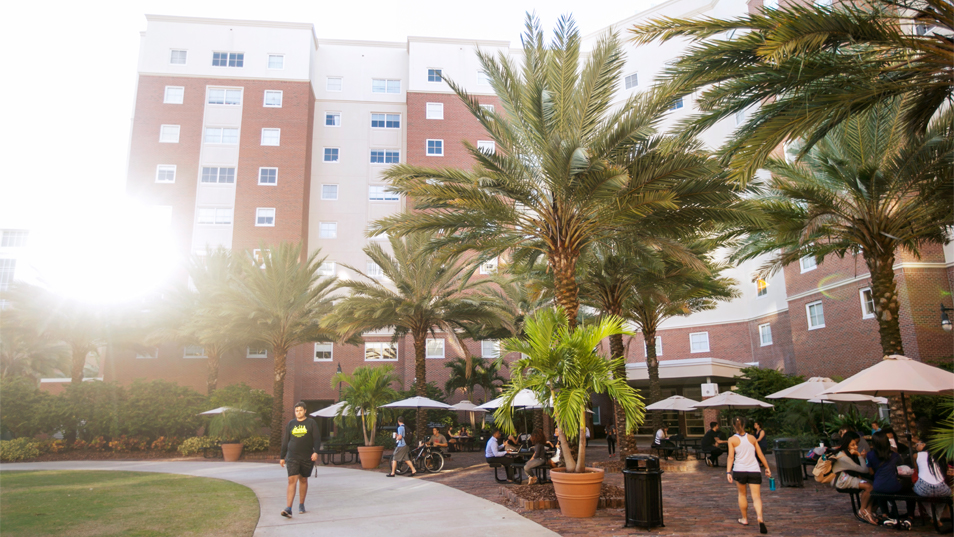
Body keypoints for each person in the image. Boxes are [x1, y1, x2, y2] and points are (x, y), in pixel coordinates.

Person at [725, 416, 772, 534]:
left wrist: (728, 471)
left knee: (742, 495)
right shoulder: (752, 438)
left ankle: (744, 518)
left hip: (740, 470)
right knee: (756, 497)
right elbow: (760, 455)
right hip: (754, 470)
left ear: (733, 426)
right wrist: (767, 467)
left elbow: (731, 457)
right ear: (745, 425)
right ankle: (760, 518)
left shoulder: (732, 439)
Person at [279, 401, 320, 518]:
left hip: (307, 457)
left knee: (303, 480)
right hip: (292, 457)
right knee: (291, 480)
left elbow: (317, 439)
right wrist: (282, 456)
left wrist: (316, 452)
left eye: (300, 410)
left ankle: (301, 504)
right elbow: (285, 440)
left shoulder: (311, 423)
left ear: (305, 411)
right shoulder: (291, 424)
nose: (298, 412)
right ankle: (289, 508)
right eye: (296, 410)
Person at [830, 431, 875, 524]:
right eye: (853, 444)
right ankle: (862, 510)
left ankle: (869, 510)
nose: (856, 447)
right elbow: (864, 469)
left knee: (875, 485)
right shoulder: (844, 457)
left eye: (857, 444)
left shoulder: (847, 453)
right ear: (847, 444)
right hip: (842, 480)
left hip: (847, 477)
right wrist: (860, 456)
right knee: (869, 487)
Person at [867, 430, 910, 523]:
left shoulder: (870, 455)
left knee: (881, 488)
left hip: (878, 486)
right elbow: (900, 466)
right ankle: (911, 515)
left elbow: (871, 472)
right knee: (910, 489)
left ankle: (885, 513)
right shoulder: (894, 455)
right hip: (894, 486)